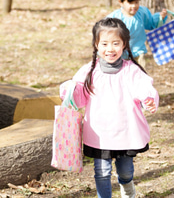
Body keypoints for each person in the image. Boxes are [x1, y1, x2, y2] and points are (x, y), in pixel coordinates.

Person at [60, 18, 159, 198]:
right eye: (104, 43)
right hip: (99, 133)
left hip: (126, 132)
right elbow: (79, 98)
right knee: (102, 172)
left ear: (124, 45)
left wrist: (149, 99)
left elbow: (145, 87)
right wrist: (69, 91)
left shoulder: (131, 71)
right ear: (96, 45)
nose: (110, 49)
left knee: (126, 170)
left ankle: (126, 184)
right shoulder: (89, 71)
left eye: (115, 43)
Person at [107, 0, 168, 68]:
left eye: (136, 2)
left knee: (139, 76)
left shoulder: (142, 13)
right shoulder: (114, 18)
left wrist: (160, 17)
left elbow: (151, 23)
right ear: (121, 2)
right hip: (119, 55)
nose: (134, 6)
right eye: (130, 3)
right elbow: (105, 34)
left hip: (138, 53)